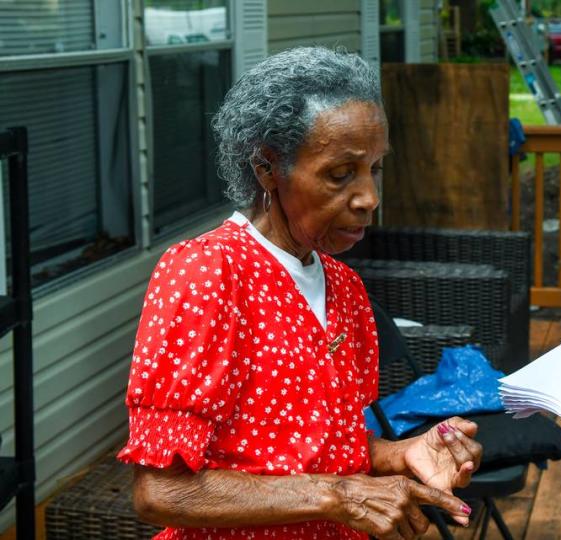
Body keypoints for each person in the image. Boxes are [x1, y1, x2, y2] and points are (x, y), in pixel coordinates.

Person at [117, 46, 482, 540]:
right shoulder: (209, 273)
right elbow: (161, 491)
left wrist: (402, 454)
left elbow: (321, 447)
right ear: (268, 168)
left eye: (375, 168)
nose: (369, 197)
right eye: (340, 173)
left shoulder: (344, 286)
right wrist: (342, 496)